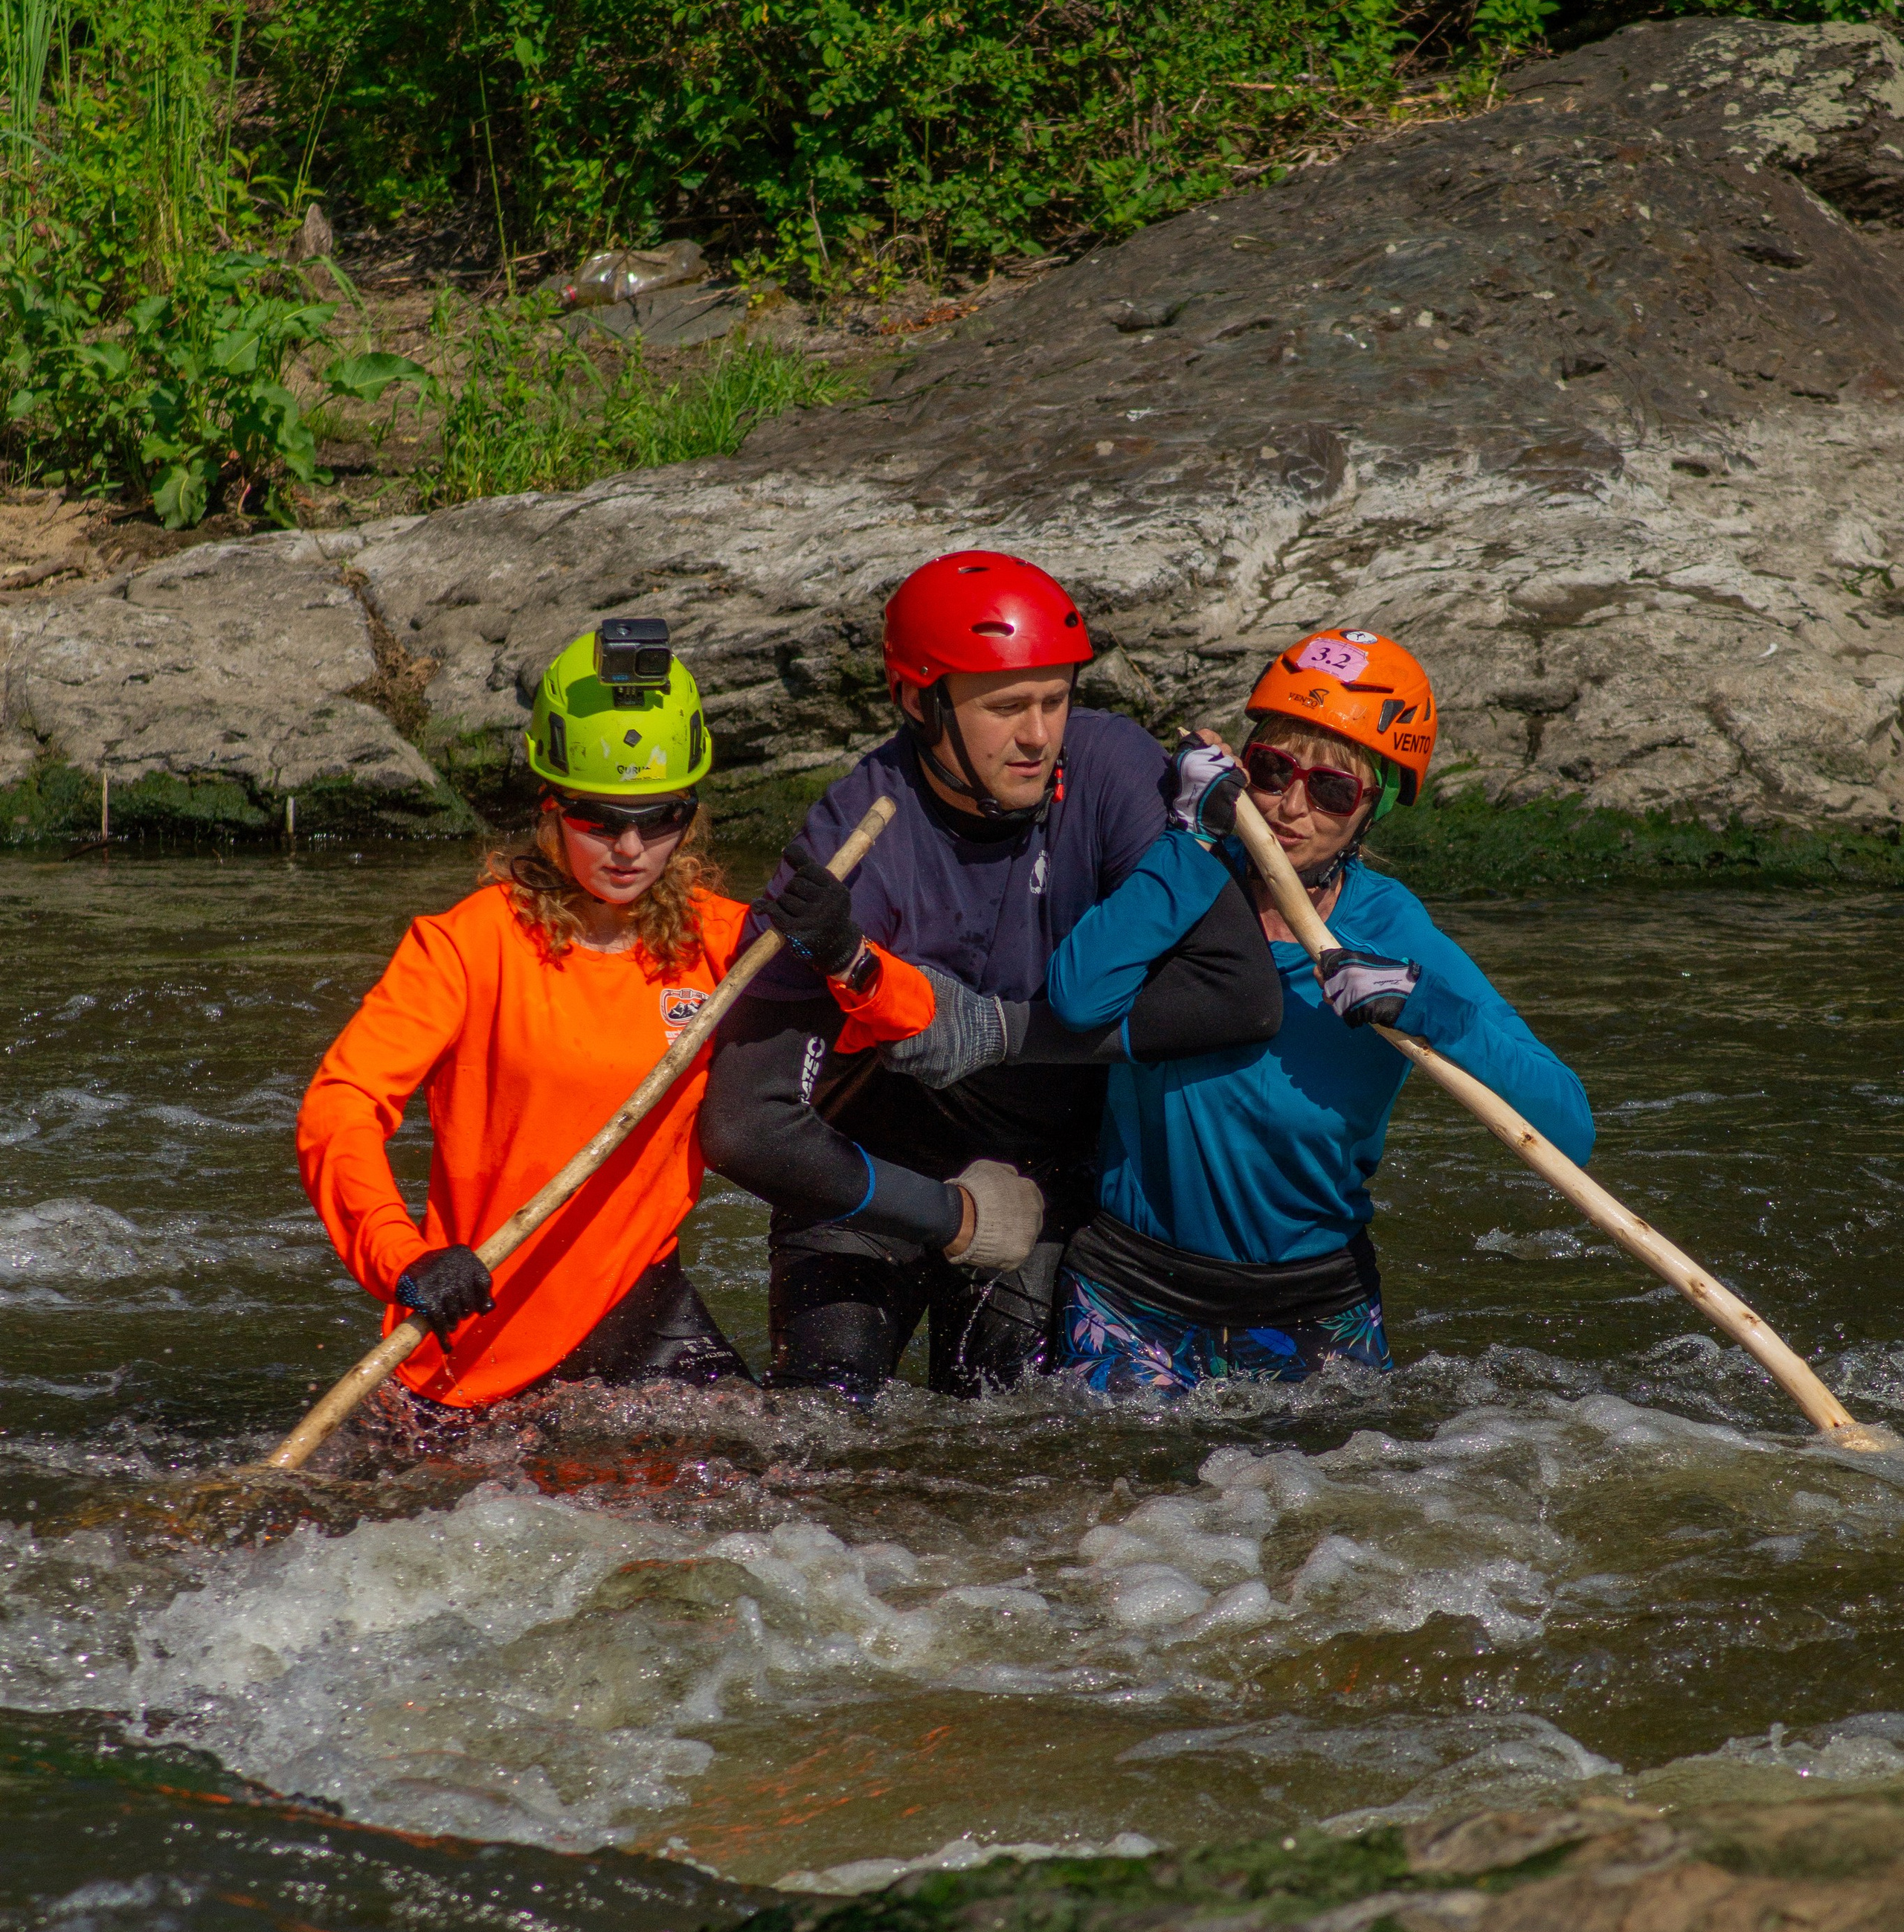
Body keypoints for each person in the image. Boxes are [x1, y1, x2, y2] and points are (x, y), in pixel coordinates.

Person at [296, 620, 936, 1413]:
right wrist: (402, 1255)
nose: (631, 846)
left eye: (661, 817)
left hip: (642, 1309)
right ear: (550, 805)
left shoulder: (727, 945)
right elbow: (340, 1107)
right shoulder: (465, 945)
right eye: (600, 817)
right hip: (476, 1330)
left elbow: (913, 1022)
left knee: (774, 1484)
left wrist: (846, 952)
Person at [698, 551, 1281, 1401]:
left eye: (1055, 699)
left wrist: (1005, 1032)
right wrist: (951, 1216)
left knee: (1011, 1455)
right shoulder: (852, 838)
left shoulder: (1115, 769)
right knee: (816, 1422)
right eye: (1006, 706)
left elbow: (1241, 997)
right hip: (873, 1178)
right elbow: (745, 1127)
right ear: (917, 701)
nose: (1039, 734)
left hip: (1044, 1188)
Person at [1042, 626, 1595, 1393]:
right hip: (1134, 1291)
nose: (1288, 806)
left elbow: (1569, 1125)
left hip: (1313, 1305)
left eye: (1331, 789)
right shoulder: (1181, 875)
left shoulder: (1392, 931)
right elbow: (1076, 996)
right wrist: (1186, 836)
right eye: (1270, 770)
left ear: (1370, 809)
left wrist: (1427, 1006)